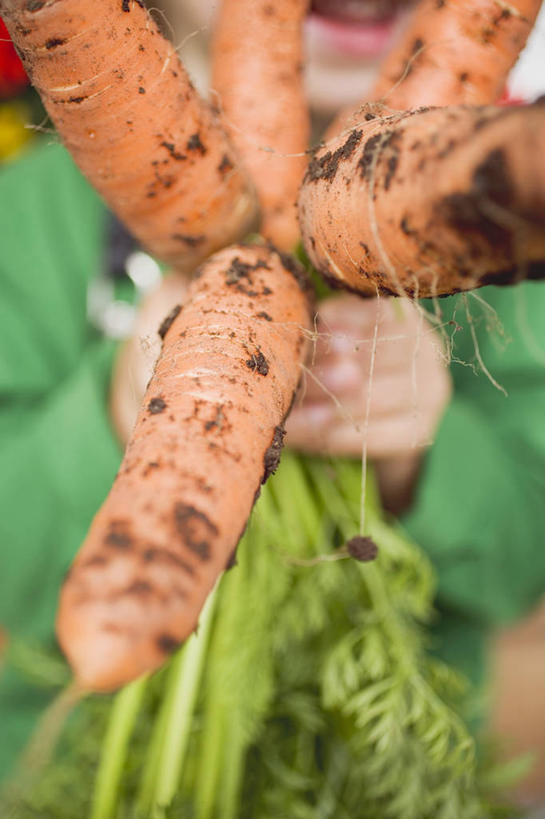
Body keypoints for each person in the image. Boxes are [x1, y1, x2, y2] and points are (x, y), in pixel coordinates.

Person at [1, 0, 544, 798]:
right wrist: (126, 409)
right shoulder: (31, 215)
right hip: (70, 784)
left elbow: (521, 566)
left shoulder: (496, 215)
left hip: (376, 787)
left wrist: (416, 450)